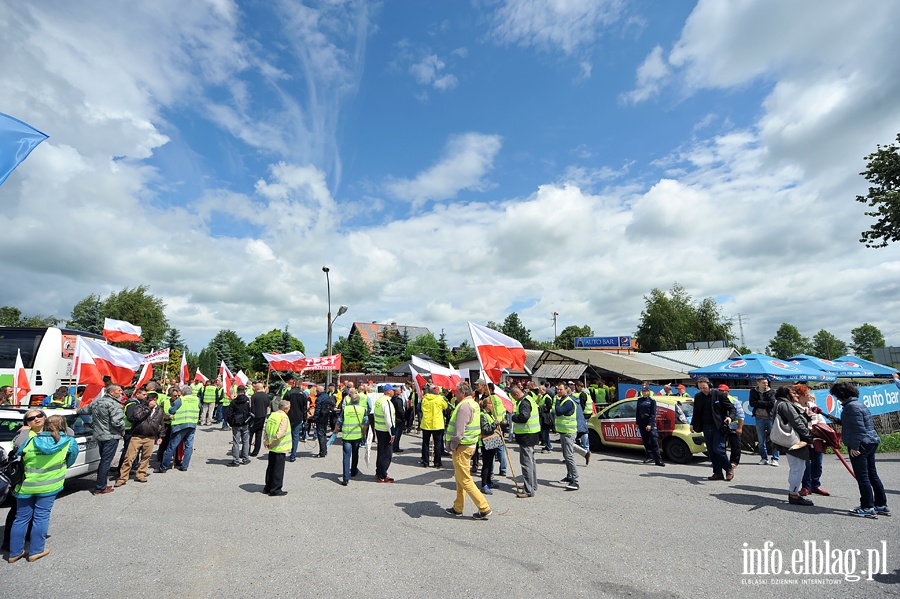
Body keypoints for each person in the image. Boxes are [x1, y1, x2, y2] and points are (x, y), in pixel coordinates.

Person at [8, 414, 78, 563]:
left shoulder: (29, 441)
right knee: (41, 516)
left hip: (26, 484)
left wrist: (25, 431)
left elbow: (17, 454)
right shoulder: (68, 441)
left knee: (21, 519)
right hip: (50, 484)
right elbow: (70, 460)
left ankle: (15, 553)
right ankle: (36, 551)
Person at [831, 382, 889, 517]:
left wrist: (855, 447)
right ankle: (880, 504)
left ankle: (867, 506)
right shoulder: (858, 404)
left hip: (861, 443)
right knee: (871, 474)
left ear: (841, 395)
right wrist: (835, 419)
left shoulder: (850, 407)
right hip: (870, 441)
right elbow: (854, 423)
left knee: (863, 476)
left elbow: (859, 429)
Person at [444, 381, 492, 520]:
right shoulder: (473, 403)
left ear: (462, 393)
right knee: (460, 477)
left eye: (457, 392)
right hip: (470, 444)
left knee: (464, 479)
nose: (455, 393)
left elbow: (459, 431)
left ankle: (484, 508)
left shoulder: (464, 406)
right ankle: (457, 507)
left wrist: (452, 446)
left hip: (462, 446)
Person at [3, 409, 46, 552]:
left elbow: (69, 432)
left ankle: (27, 535)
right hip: (23, 480)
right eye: (31, 418)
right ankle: (8, 543)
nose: (36, 419)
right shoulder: (24, 435)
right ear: (27, 423)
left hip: (42, 479)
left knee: (35, 510)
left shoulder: (49, 432)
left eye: (39, 416)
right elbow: (18, 445)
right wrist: (25, 431)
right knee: (18, 511)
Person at [77, 384, 125, 495]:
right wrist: (122, 429)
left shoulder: (97, 402)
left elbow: (83, 411)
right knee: (106, 461)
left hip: (99, 435)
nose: (121, 392)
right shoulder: (114, 405)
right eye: (118, 390)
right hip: (111, 436)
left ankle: (101, 483)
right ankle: (100, 487)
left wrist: (75, 410)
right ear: (111, 392)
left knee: (104, 460)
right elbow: (117, 422)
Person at [771, 386, 814, 506]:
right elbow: (796, 421)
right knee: (798, 467)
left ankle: (794, 492)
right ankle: (794, 495)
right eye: (793, 393)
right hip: (794, 440)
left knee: (797, 467)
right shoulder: (786, 405)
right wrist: (808, 436)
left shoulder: (780, 403)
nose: (796, 395)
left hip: (791, 439)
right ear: (786, 395)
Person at [690, 377, 736, 482]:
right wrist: (692, 424)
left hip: (718, 426)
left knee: (718, 449)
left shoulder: (719, 395)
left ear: (709, 385)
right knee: (711, 451)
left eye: (704, 387)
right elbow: (696, 412)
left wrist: (730, 417)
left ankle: (729, 469)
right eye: (700, 388)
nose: (702, 389)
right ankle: (717, 473)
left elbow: (732, 408)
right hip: (706, 427)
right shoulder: (698, 397)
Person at [115, 391, 164, 486]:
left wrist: (161, 436)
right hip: (137, 436)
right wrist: (148, 408)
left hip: (150, 437)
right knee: (129, 458)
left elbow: (161, 424)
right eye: (150, 399)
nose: (153, 401)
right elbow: (137, 417)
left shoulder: (160, 410)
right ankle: (123, 477)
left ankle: (141, 474)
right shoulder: (140, 407)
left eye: (154, 399)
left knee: (146, 457)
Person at [793, 385, 829, 497]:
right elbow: (797, 424)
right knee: (806, 465)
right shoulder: (795, 407)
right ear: (800, 396)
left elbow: (821, 420)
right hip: (803, 439)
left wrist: (820, 428)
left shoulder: (813, 406)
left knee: (818, 463)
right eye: (807, 394)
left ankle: (815, 485)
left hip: (817, 438)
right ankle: (806, 486)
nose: (810, 396)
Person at [157, 385, 199, 473]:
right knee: (188, 446)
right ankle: (185, 466)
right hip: (192, 424)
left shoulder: (181, 400)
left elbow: (171, 411)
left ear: (183, 392)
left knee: (172, 446)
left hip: (180, 425)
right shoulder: (196, 399)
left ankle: (163, 467)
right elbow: (200, 409)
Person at [510, 384, 539, 498]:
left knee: (526, 463)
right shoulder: (529, 398)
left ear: (517, 394)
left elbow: (524, 417)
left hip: (527, 435)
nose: (514, 400)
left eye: (514, 397)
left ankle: (528, 490)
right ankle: (532, 485)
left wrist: (513, 417)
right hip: (532, 434)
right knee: (531, 462)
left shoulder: (524, 402)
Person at [335, 391, 367, 485]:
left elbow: (340, 420)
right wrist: (364, 432)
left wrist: (335, 430)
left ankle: (345, 478)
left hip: (347, 435)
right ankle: (353, 471)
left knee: (346, 456)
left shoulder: (346, 409)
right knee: (355, 453)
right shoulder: (362, 409)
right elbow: (366, 422)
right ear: (359, 401)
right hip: (357, 435)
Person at [554, 382, 580, 490]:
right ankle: (569, 476)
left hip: (569, 432)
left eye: (561, 390)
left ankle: (575, 480)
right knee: (565, 455)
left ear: (566, 390)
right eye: (558, 390)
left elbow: (559, 411)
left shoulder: (568, 402)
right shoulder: (564, 400)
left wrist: (557, 401)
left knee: (569, 456)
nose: (559, 391)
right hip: (563, 432)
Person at [262, 400, 291, 496]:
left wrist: (266, 441)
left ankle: (268, 487)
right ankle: (276, 489)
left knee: (271, 467)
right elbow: (281, 433)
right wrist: (273, 443)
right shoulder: (284, 417)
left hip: (271, 446)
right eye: (289, 408)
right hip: (279, 446)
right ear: (285, 409)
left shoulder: (273, 415)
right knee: (278, 469)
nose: (289, 409)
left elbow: (266, 429)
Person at [749, 377, 779, 466]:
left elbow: (771, 403)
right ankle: (764, 458)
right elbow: (752, 403)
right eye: (763, 383)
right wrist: (764, 403)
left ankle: (775, 458)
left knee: (774, 438)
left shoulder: (772, 392)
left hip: (770, 417)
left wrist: (759, 402)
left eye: (766, 383)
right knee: (761, 440)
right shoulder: (753, 392)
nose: (766, 384)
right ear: (758, 383)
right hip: (759, 417)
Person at [419, 384, 448, 468]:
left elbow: (421, 408)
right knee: (437, 444)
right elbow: (445, 406)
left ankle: (425, 461)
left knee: (425, 443)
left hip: (426, 424)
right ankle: (437, 462)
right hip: (437, 424)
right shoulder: (440, 398)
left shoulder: (424, 398)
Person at [373, 384, 397, 483]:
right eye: (392, 390)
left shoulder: (379, 400)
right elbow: (389, 419)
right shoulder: (387, 402)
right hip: (386, 430)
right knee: (386, 454)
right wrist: (392, 433)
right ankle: (383, 475)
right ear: (388, 391)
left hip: (379, 428)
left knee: (380, 452)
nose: (394, 392)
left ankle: (379, 471)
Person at [636, 386, 664, 466]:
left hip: (649, 421)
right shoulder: (639, 400)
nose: (644, 392)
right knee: (645, 441)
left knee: (654, 440)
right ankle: (649, 456)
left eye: (645, 391)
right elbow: (637, 412)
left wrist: (650, 424)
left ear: (648, 392)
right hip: (641, 422)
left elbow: (653, 414)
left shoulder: (652, 401)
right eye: (643, 391)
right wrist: (637, 423)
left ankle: (658, 460)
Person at [718, 384, 744, 471]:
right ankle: (722, 462)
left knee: (735, 446)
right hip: (721, 427)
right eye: (719, 391)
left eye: (723, 391)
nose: (721, 392)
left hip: (733, 427)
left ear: (727, 391)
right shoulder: (716, 400)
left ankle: (734, 462)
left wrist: (739, 428)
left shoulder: (734, 401)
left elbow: (741, 415)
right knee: (721, 446)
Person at [225, 385, 252, 466]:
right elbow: (250, 411)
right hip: (245, 422)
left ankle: (236, 460)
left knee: (236, 442)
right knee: (246, 441)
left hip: (236, 423)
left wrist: (231, 423)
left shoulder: (234, 401)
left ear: (237, 391)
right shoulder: (247, 400)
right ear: (244, 391)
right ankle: (245, 459)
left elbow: (229, 414)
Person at [478, 396, 499, 495]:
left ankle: (489, 481)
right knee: (486, 464)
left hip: (492, 441)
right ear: (487, 405)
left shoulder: (489, 414)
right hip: (486, 441)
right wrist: (495, 423)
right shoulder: (483, 415)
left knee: (490, 463)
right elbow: (486, 429)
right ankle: (484, 484)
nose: (493, 406)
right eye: (491, 404)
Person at [283, 379, 308, 462]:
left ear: (294, 384)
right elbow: (305, 408)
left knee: (286, 435)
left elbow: (283, 404)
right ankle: (293, 455)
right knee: (295, 436)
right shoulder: (303, 395)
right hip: (298, 417)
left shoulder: (289, 393)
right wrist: (305, 419)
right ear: (300, 385)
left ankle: (283, 452)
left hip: (288, 417)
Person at [313, 384, 336, 457]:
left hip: (320, 417)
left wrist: (314, 419)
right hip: (326, 417)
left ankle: (322, 452)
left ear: (318, 391)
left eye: (316, 391)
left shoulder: (319, 398)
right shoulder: (326, 396)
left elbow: (317, 409)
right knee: (324, 433)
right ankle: (324, 450)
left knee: (320, 434)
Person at [249, 382, 270, 457]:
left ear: (257, 388)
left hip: (255, 417)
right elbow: (268, 406)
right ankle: (256, 451)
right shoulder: (266, 396)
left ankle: (247, 449)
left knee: (250, 433)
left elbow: (251, 406)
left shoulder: (254, 396)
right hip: (262, 416)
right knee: (259, 434)